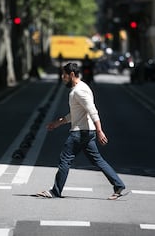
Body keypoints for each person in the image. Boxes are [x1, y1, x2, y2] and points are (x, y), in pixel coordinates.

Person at [37, 62, 126, 200]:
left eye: (64, 75)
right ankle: (118, 184)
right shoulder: (81, 88)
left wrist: (100, 130)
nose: (62, 77)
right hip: (86, 131)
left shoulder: (79, 91)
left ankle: (55, 191)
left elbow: (92, 110)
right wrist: (57, 123)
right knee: (98, 160)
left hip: (80, 132)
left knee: (65, 160)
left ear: (72, 75)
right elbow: (75, 114)